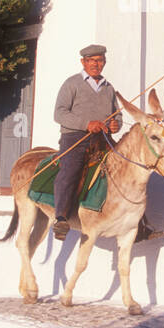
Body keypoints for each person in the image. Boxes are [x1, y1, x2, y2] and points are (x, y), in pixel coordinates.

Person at [52, 44, 121, 240]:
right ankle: (61, 218)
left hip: (102, 138)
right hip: (75, 137)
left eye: (99, 61)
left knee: (127, 166)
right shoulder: (71, 84)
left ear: (104, 63)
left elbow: (117, 115)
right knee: (70, 170)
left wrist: (116, 125)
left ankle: (139, 223)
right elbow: (59, 113)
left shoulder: (109, 88)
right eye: (91, 61)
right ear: (83, 62)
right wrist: (86, 124)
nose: (95, 64)